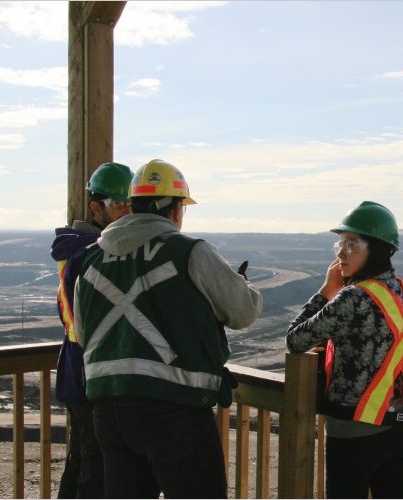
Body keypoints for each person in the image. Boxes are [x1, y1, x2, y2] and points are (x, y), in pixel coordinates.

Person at [73, 159, 262, 499]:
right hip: (177, 410)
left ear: (132, 206)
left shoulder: (89, 260)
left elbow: (85, 335)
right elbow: (243, 312)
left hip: (108, 410)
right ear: (175, 209)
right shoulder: (190, 251)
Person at [286, 201, 403, 499]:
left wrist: (325, 290)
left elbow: (294, 340)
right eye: (340, 243)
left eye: (351, 244)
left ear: (377, 249)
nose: (340, 253)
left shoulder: (353, 296)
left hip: (355, 432)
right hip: (397, 428)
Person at [51, 161, 134, 498]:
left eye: (131, 203)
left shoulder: (83, 248)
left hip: (85, 370)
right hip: (87, 371)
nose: (126, 212)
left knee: (85, 459)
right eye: (118, 205)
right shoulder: (85, 253)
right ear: (95, 206)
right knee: (94, 467)